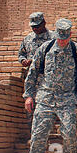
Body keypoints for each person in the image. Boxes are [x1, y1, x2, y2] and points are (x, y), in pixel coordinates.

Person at [23, 18, 77, 153]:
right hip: (45, 99)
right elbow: (33, 72)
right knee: (38, 135)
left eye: (65, 39)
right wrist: (28, 95)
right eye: (60, 39)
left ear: (69, 36)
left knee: (69, 134)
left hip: (67, 99)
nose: (62, 42)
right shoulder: (45, 48)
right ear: (56, 36)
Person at [18, 12, 56, 143]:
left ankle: (46, 136)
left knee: (47, 108)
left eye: (37, 26)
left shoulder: (54, 37)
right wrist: (23, 61)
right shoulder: (28, 39)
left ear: (44, 23)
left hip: (48, 79)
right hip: (32, 80)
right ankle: (33, 136)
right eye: (33, 27)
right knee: (31, 107)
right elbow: (21, 54)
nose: (35, 29)